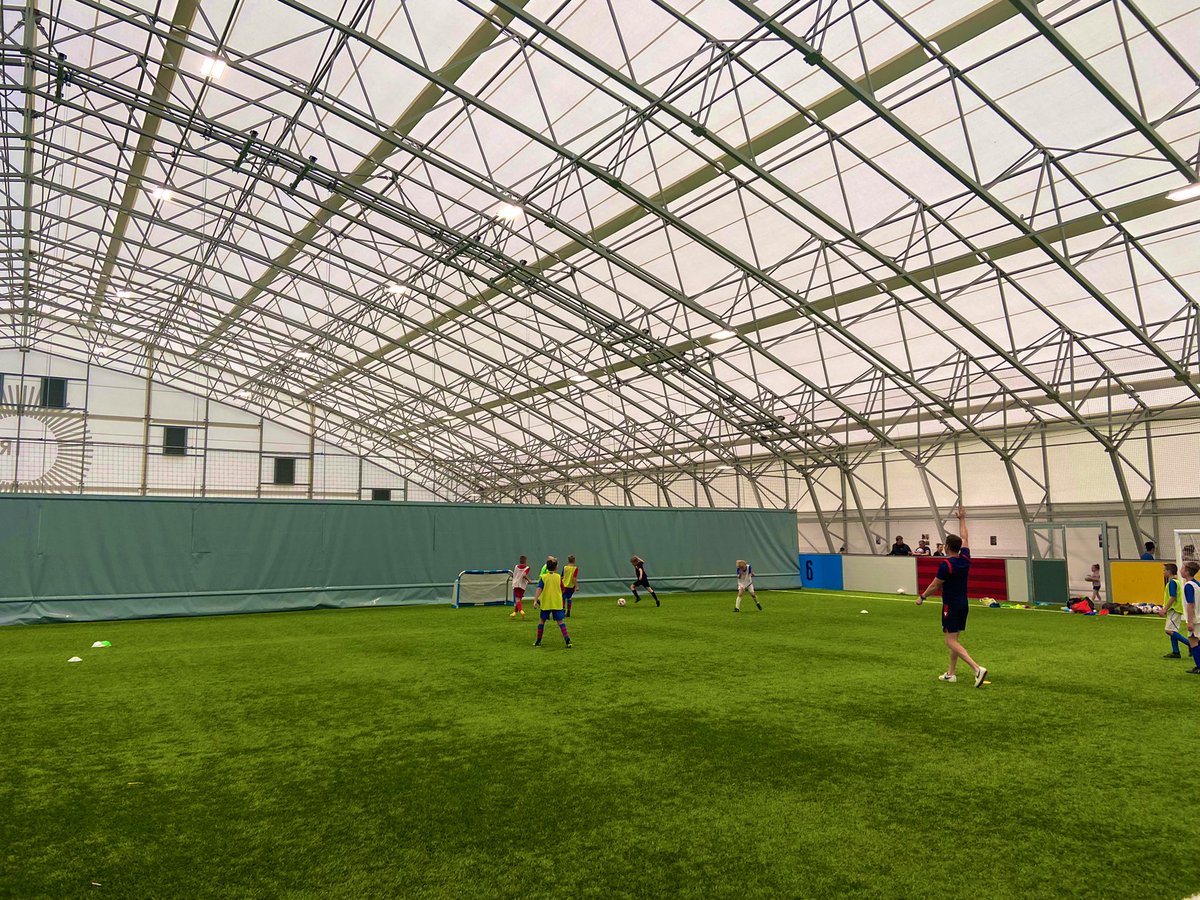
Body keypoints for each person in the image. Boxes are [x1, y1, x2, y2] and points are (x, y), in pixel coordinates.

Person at [916, 508, 987, 688]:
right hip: (963, 604)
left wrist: (922, 597)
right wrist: (962, 519)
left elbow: (935, 585)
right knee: (954, 639)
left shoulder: (946, 565)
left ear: (947, 547)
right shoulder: (965, 558)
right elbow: (966, 537)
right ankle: (951, 673)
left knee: (950, 641)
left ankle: (977, 669)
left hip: (951, 606)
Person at [533, 557, 571, 649]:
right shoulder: (558, 577)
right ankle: (567, 640)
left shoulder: (543, 577)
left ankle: (538, 641)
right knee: (560, 622)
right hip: (557, 603)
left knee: (542, 621)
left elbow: (539, 589)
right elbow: (563, 589)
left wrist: (535, 600)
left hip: (546, 603)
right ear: (556, 567)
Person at [1161, 564, 1189, 661]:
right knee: (1173, 631)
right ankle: (1176, 652)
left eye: (1164, 570)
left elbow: (1173, 597)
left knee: (1168, 630)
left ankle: (1191, 644)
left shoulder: (1172, 583)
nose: (1163, 572)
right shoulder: (1174, 582)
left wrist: (1165, 609)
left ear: (1169, 571)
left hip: (1174, 609)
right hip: (1174, 610)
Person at [1184, 561, 1200, 674]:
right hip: (1199, 616)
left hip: (1195, 618)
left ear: (1186, 571)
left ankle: (1199, 666)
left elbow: (1190, 604)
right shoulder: (1197, 584)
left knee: (1193, 642)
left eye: (1182, 568)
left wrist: (1189, 621)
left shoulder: (1189, 585)